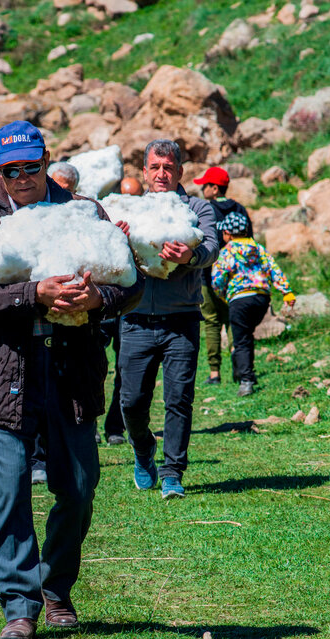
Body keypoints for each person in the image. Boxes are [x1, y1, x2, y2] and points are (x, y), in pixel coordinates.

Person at [0, 121, 143, 639]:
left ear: (45, 159)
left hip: (71, 367)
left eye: (30, 167)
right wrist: (35, 293)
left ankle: (55, 586)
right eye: (10, 170)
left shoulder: (84, 210)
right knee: (11, 490)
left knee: (78, 488)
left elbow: (130, 280)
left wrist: (98, 299)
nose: (22, 178)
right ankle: (19, 603)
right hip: (4, 370)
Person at [118, 139, 218, 500]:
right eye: (155, 167)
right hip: (135, 320)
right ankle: (143, 450)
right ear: (144, 172)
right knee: (130, 402)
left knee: (178, 399)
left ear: (179, 172)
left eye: (169, 167)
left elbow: (212, 246)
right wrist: (119, 238)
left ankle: (173, 472)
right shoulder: (131, 209)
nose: (162, 174)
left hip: (182, 321)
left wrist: (191, 255)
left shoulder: (197, 207)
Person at [210, 214, 295, 396]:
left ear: (227, 234)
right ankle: (245, 369)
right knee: (247, 335)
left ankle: (246, 380)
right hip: (261, 298)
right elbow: (273, 268)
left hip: (239, 299)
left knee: (241, 340)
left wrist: (223, 296)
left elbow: (217, 279)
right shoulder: (258, 248)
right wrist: (286, 291)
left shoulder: (227, 252)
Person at [192, 166, 253, 385]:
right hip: (237, 279)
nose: (202, 190)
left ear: (214, 188)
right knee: (233, 321)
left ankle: (215, 373)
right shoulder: (240, 209)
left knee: (211, 322)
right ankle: (240, 367)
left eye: (205, 185)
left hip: (209, 276)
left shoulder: (205, 211)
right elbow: (251, 242)